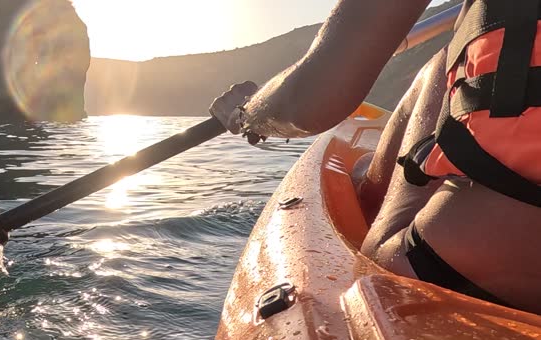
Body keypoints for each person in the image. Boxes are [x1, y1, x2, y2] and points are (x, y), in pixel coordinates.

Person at [210, 0, 541, 313]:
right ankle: (375, 177)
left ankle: (374, 192)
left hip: (483, 272)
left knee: (444, 62)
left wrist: (245, 112)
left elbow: (308, 103)